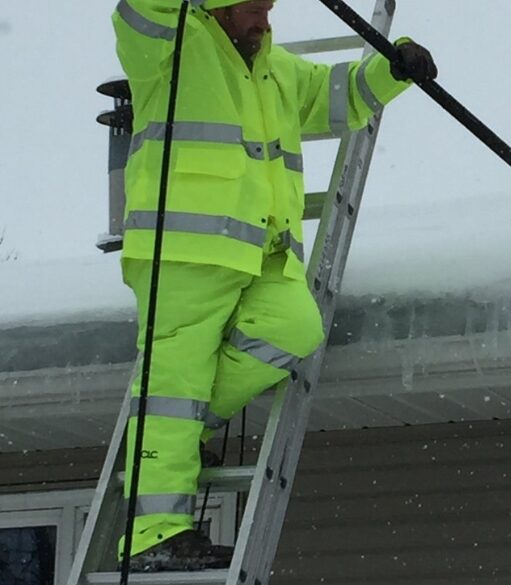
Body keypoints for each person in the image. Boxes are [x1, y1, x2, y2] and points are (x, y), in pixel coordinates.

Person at [112, 0, 436, 571]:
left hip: (264, 253)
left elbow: (341, 98)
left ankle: (181, 433)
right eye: (252, 9)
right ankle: (152, 536)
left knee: (295, 328)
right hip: (183, 250)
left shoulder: (277, 69)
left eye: (267, 9)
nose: (263, 20)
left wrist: (394, 67)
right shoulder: (168, 44)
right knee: (174, 379)